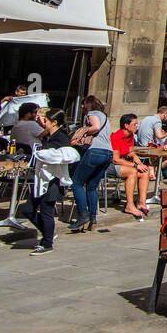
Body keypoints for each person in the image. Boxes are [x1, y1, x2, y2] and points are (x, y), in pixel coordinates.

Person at [27, 109, 74, 255]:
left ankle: (47, 243)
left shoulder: (61, 138)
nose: (43, 123)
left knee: (46, 210)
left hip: (53, 180)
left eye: (45, 120)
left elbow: (65, 156)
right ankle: (48, 233)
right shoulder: (49, 136)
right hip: (41, 178)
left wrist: (45, 155)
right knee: (28, 209)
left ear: (54, 122)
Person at [68, 98, 115, 233]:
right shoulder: (105, 116)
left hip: (95, 151)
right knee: (91, 187)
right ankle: (92, 219)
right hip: (108, 153)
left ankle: (83, 215)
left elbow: (96, 127)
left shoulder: (92, 113)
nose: (82, 109)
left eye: (82, 106)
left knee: (76, 183)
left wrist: (83, 132)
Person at [110, 114, 150, 219]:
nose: (137, 126)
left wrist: (140, 164)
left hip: (123, 163)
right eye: (134, 124)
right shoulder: (116, 136)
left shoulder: (131, 135)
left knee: (145, 171)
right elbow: (115, 159)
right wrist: (135, 165)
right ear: (126, 125)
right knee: (132, 172)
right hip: (111, 165)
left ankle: (142, 202)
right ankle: (129, 205)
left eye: (137, 124)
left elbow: (131, 153)